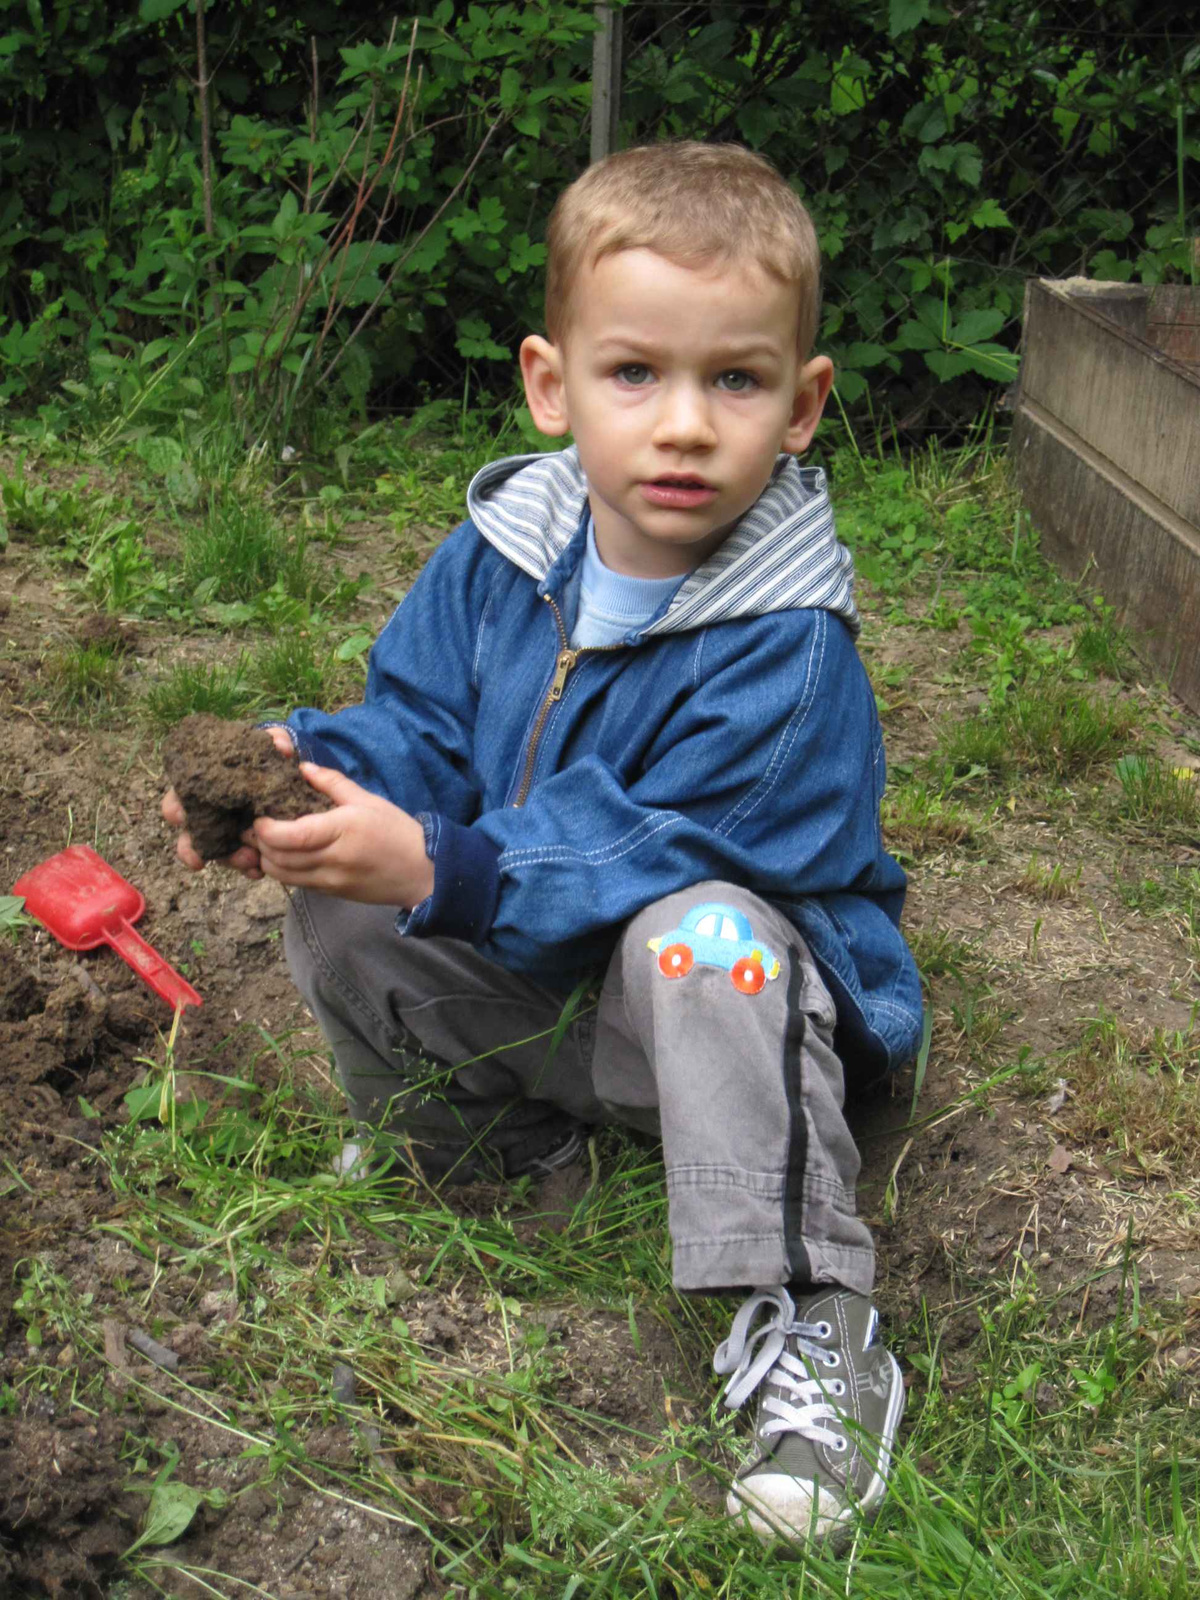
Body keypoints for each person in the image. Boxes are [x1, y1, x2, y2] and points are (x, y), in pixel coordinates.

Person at [163, 140, 922, 1547]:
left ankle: (814, 1324)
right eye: (636, 374)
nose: (684, 424)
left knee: (711, 937)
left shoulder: (792, 648)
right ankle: (492, 1148)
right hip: (548, 992)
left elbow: (645, 848)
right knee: (340, 896)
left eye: (736, 380)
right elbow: (422, 727)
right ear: (551, 383)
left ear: (803, 405)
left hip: (706, 1029)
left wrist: (444, 868)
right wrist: (301, 775)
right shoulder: (508, 554)